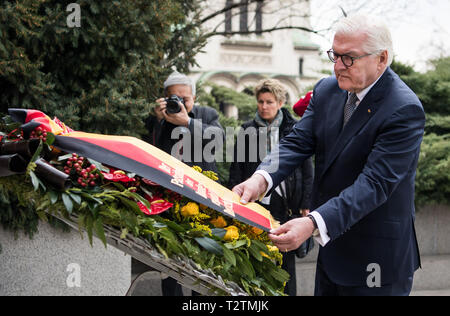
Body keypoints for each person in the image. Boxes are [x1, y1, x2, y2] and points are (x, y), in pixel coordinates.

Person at [232, 14, 425, 296]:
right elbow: (296, 141)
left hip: (377, 260)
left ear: (381, 59)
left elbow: (374, 184)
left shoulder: (403, 109)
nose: (337, 66)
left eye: (349, 58)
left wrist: (312, 223)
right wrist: (261, 179)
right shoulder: (327, 90)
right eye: (335, 55)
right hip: (333, 249)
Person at [228, 79, 314, 296]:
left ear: (280, 102)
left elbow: (307, 169)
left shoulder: (293, 128)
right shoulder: (247, 130)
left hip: (286, 205)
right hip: (256, 204)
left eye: (269, 102)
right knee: (256, 261)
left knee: (286, 266)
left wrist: (306, 203)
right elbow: (237, 167)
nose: (264, 106)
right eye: (260, 102)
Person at [142, 71, 224, 296]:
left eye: (184, 100)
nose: (178, 104)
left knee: (203, 255)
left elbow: (218, 140)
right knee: (169, 257)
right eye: (173, 99)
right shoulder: (156, 119)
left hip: (202, 194)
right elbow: (148, 153)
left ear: (194, 99)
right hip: (168, 195)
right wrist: (159, 122)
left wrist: (187, 122)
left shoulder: (207, 114)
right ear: (164, 99)